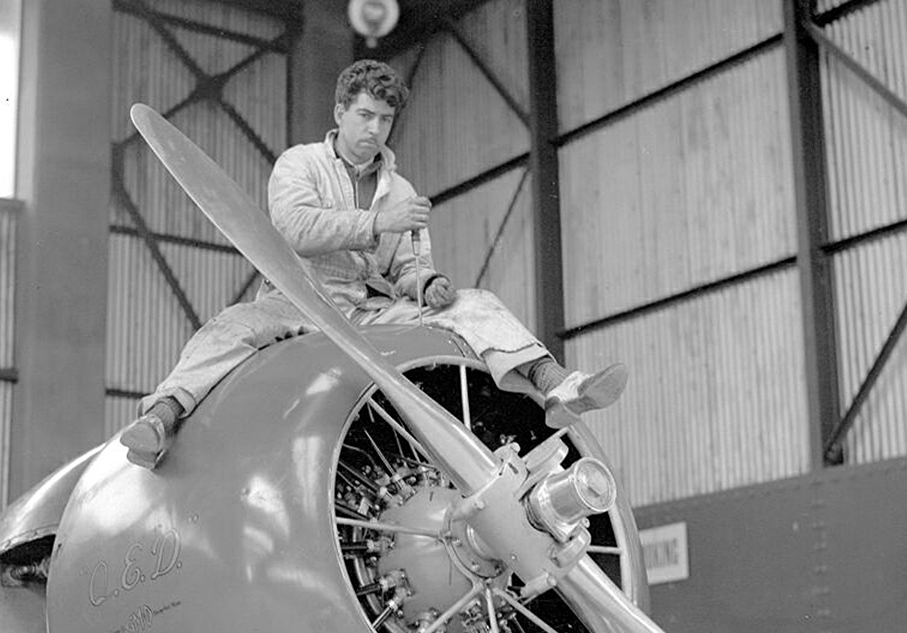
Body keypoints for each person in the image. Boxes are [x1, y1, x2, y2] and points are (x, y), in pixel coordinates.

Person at [121, 59, 628, 469]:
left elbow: (409, 267)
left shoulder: (401, 189)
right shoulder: (299, 164)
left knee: (477, 304)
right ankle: (161, 419)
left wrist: (429, 283)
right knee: (229, 328)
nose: (375, 129)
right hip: (299, 300)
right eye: (365, 115)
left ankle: (555, 384)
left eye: (385, 119)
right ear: (340, 111)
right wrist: (375, 220)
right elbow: (296, 229)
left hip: (370, 308)